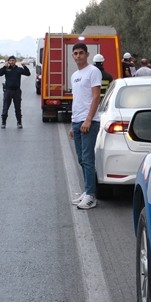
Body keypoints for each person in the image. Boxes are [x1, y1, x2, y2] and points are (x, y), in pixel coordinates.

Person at [68, 43, 102, 210]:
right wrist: (72, 123)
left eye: (81, 53)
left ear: (87, 54)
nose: (78, 56)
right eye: (75, 53)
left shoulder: (93, 71)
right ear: (73, 56)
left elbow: (96, 97)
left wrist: (88, 119)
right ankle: (87, 191)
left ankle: (91, 195)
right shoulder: (74, 75)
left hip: (89, 121)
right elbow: (77, 100)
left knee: (88, 160)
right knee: (81, 159)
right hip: (77, 121)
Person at [0, 55, 30, 128]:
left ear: (15, 61)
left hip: (16, 91)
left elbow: (28, 74)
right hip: (8, 91)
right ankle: (3, 122)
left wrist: (24, 66)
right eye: (10, 60)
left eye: (13, 60)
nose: (12, 62)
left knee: (17, 108)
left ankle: (19, 122)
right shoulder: (6, 69)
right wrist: (4, 67)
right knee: (5, 107)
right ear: (8, 61)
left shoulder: (19, 69)